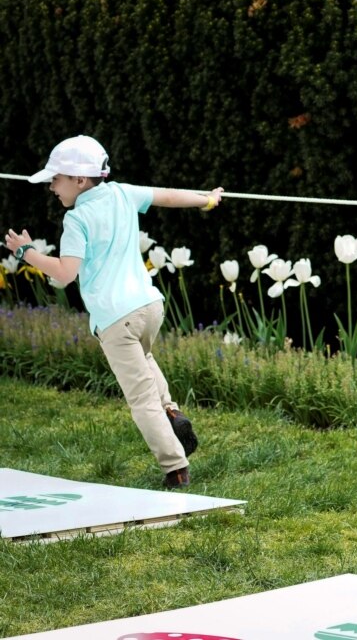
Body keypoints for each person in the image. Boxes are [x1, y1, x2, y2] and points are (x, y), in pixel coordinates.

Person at [3, 135, 223, 489]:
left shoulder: (77, 219)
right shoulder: (122, 192)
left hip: (115, 319)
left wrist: (25, 251)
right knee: (145, 358)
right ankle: (170, 410)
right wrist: (207, 200)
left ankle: (175, 468)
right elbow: (167, 195)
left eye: (55, 179)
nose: (52, 187)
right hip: (149, 307)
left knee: (139, 399)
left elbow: (64, 274)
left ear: (79, 179)